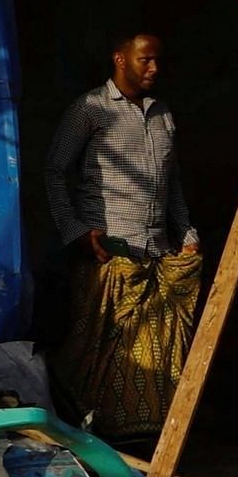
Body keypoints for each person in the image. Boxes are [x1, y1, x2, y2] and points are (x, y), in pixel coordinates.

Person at [42, 30, 202, 442]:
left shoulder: (162, 114)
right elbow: (54, 172)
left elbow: (174, 186)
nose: (154, 68)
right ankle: (95, 449)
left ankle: (150, 454)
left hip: (157, 256)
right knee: (97, 361)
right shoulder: (89, 109)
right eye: (145, 60)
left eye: (157, 60)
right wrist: (75, 231)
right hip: (108, 258)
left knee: (158, 364)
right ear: (119, 58)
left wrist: (186, 233)